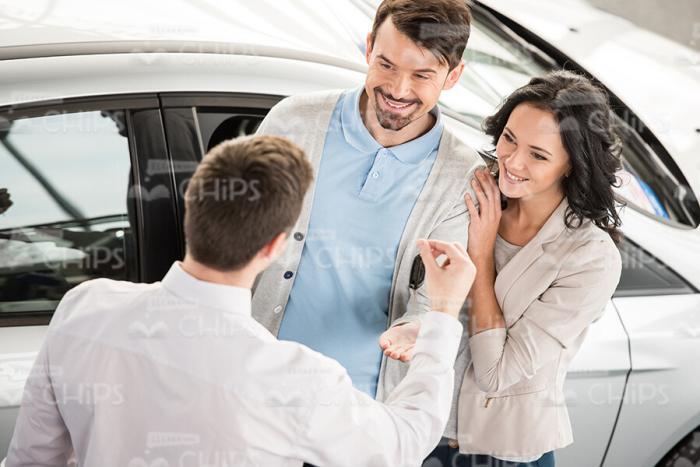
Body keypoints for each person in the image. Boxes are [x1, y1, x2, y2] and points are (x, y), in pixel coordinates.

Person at [6, 135, 477, 467]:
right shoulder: (298, 381)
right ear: (275, 247)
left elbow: (30, 460)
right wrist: (440, 315)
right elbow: (404, 443)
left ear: (191, 203)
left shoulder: (84, 308)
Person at [382, 70, 624, 466]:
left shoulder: (590, 258)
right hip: (417, 428)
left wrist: (480, 253)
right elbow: (427, 294)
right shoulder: (472, 192)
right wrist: (416, 325)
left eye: (538, 155)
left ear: (571, 164)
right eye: (509, 139)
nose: (512, 161)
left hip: (498, 453)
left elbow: (496, 373)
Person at [252, 0, 482, 413]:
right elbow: (234, 242)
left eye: (422, 75)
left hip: (361, 415)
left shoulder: (462, 176)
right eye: (387, 65)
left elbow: (435, 296)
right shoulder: (293, 122)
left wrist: (418, 327)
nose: (398, 90)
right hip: (255, 385)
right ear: (369, 46)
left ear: (453, 76)